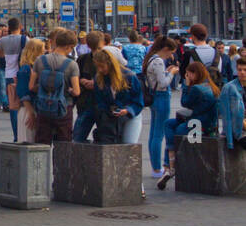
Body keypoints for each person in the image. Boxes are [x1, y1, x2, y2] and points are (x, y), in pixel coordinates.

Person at [157, 59, 221, 190]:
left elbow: (185, 102)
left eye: (188, 74)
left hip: (198, 123)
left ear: (194, 74)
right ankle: (170, 161)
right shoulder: (209, 85)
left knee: (176, 128)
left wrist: (186, 85)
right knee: (169, 124)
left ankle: (171, 165)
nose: (188, 77)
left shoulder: (197, 88)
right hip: (201, 121)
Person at [29, 29, 81, 143]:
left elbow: (31, 86)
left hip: (43, 107)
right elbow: (77, 91)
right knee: (63, 144)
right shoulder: (72, 65)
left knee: (42, 143)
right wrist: (70, 90)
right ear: (69, 46)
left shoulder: (40, 60)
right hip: (64, 108)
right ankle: (60, 161)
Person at [91, 46, 143, 146]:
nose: (100, 70)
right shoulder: (98, 78)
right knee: (111, 144)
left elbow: (138, 102)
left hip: (130, 114)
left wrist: (127, 110)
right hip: (111, 116)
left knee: (128, 144)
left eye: (102, 66)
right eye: (97, 67)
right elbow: (99, 101)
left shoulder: (129, 76)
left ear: (110, 64)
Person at [143, 37, 178, 177]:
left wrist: (166, 72)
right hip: (161, 97)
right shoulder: (158, 61)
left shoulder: (151, 58)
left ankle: (155, 166)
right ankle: (157, 168)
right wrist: (172, 73)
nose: (171, 56)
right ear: (165, 49)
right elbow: (163, 83)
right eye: (170, 53)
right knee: (159, 134)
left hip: (153, 96)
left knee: (153, 133)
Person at [8, 37, 46, 143]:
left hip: (32, 108)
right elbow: (23, 92)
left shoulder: (33, 67)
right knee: (28, 141)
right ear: (36, 51)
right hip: (28, 109)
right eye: (42, 50)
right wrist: (31, 113)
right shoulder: (26, 69)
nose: (44, 52)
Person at [73, 31, 103, 141]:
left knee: (78, 137)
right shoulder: (83, 59)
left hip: (98, 103)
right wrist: (82, 82)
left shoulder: (106, 58)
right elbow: (75, 77)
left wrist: (94, 83)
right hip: (87, 102)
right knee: (78, 137)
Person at [217, 57, 246, 151]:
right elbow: (226, 115)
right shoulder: (229, 88)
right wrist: (229, 140)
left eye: (245, 70)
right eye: (239, 70)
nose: (242, 72)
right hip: (238, 130)